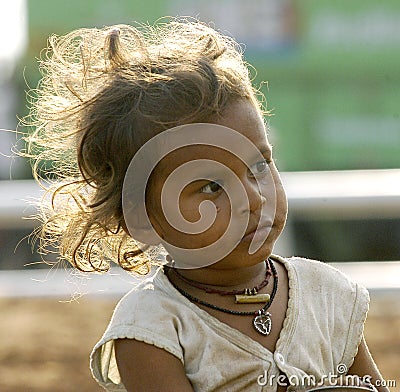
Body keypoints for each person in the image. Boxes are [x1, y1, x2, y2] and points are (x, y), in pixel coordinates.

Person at [25, 18, 388, 392]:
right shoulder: (153, 329)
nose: (254, 198)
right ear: (142, 218)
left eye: (259, 166)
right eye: (212, 186)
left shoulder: (326, 294)